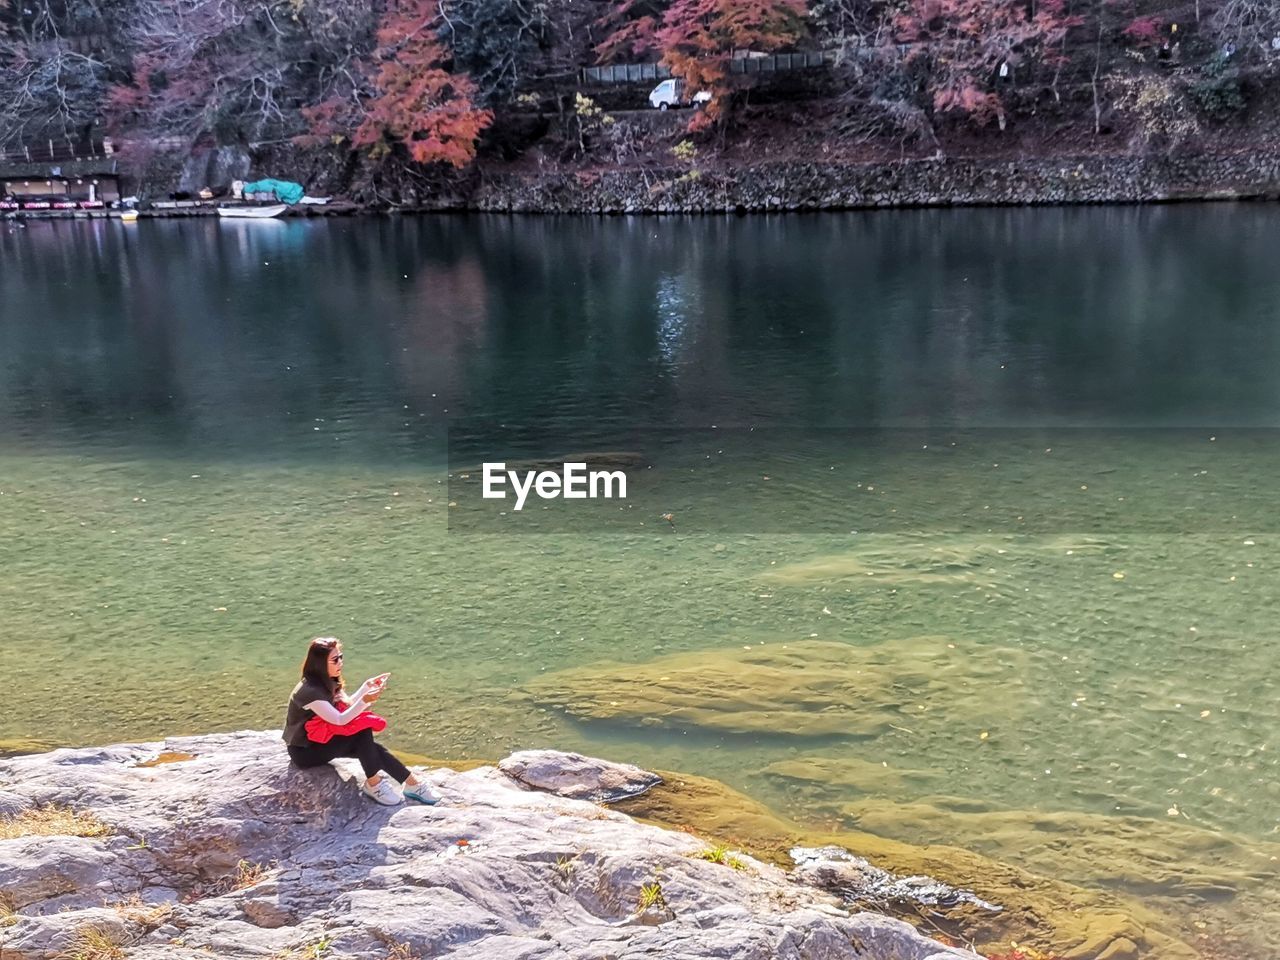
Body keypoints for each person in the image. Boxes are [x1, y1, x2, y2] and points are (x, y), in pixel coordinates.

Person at [282, 636, 438, 806]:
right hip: (305, 751)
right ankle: (375, 784)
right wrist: (366, 700)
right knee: (362, 731)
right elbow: (339, 719)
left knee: (370, 747)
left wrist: (366, 687)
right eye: (335, 660)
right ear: (320, 663)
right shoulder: (309, 692)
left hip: (322, 740)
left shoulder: (328, 681)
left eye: (341, 657)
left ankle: (412, 784)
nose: (340, 662)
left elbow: (345, 706)